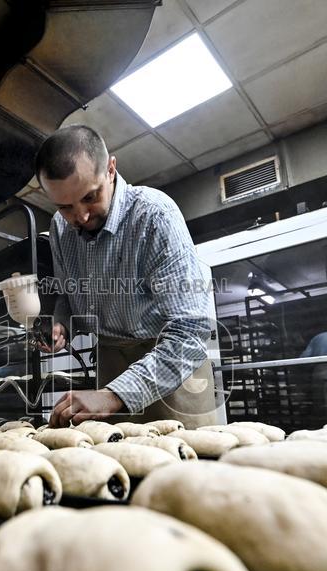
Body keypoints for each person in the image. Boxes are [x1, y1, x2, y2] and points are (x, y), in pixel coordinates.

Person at [35, 125, 216, 428]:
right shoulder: (58, 227)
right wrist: (61, 322)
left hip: (171, 370)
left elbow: (190, 333)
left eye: (90, 197)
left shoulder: (154, 216)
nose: (80, 217)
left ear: (110, 169)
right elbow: (67, 292)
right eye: (65, 207)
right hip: (110, 366)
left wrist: (114, 394)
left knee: (183, 470)